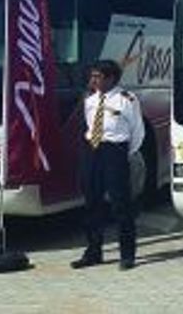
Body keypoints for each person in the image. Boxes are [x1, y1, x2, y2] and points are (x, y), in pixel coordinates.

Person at [72, 59, 145, 270]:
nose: (93, 80)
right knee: (91, 202)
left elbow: (137, 131)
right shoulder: (90, 100)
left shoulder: (127, 99)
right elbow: (88, 125)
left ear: (111, 78)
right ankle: (93, 252)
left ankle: (127, 255)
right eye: (92, 76)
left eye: (98, 76)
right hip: (92, 150)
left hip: (115, 151)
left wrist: (123, 153)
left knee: (120, 204)